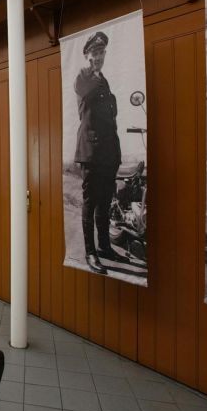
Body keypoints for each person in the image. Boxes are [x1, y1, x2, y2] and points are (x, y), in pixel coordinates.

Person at [74, 31, 121, 275]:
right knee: (91, 202)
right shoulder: (84, 77)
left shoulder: (104, 80)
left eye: (101, 52)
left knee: (105, 202)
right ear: (86, 55)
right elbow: (86, 89)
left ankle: (104, 246)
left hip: (108, 152)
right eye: (94, 52)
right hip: (91, 151)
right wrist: (93, 68)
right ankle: (90, 252)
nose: (98, 57)